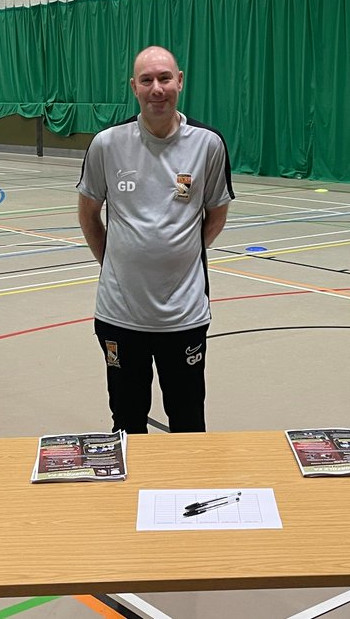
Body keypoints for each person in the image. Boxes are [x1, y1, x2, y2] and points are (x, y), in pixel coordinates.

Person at [76, 46, 234, 433]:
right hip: (119, 315)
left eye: (165, 78)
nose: (157, 88)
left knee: (188, 421)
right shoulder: (107, 144)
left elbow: (216, 214)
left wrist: (179, 256)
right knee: (127, 421)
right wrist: (115, 262)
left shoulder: (208, 144)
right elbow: (88, 214)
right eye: (147, 80)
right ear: (134, 87)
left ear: (180, 80)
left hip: (183, 316)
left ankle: (184, 495)